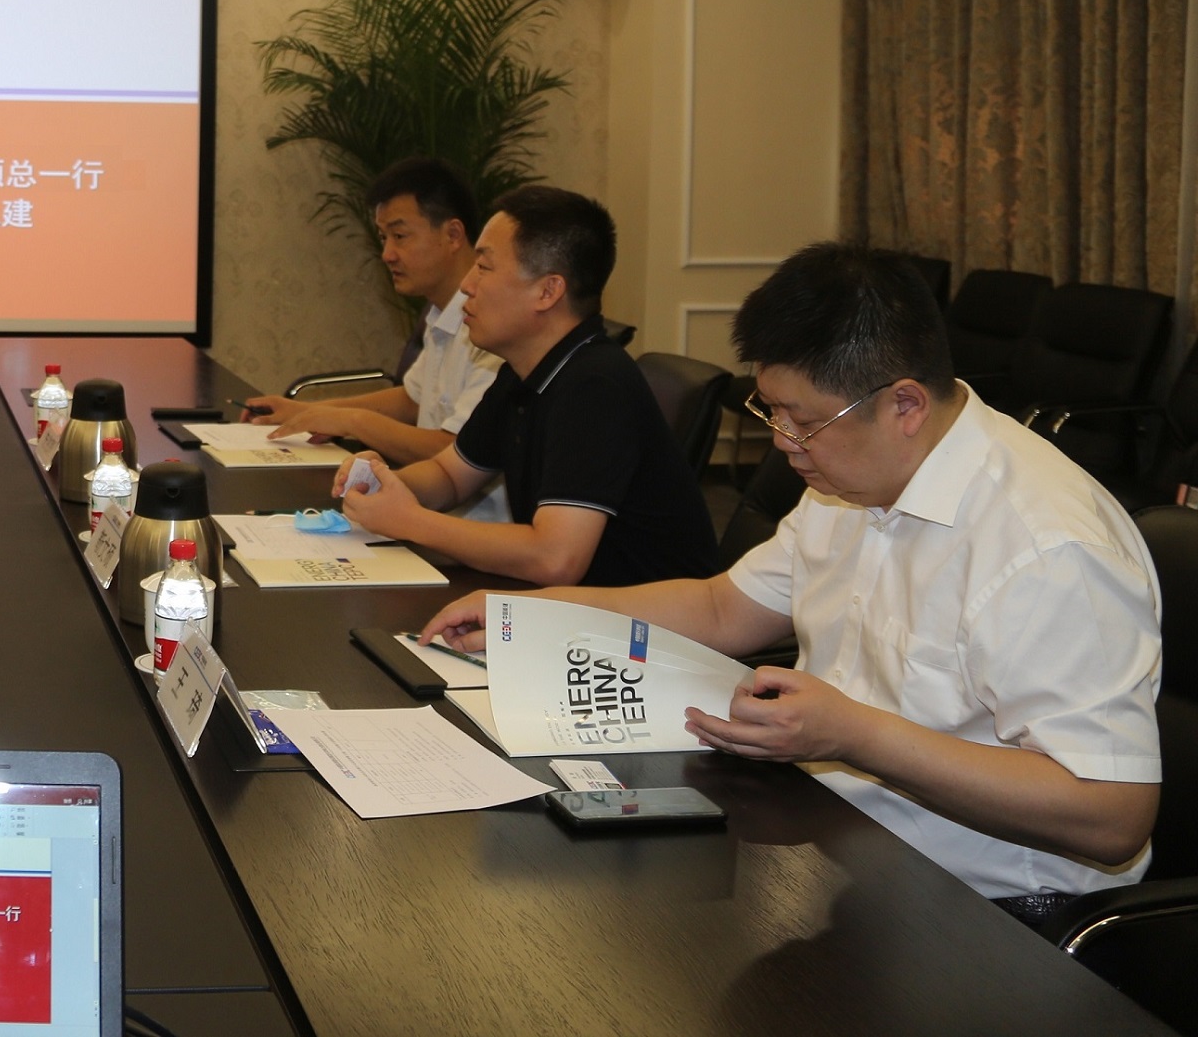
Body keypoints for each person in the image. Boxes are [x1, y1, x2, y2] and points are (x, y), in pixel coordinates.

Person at [422, 244, 1161, 915]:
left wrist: (855, 734)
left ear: (904, 404)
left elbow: (1113, 814)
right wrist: (535, 614)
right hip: (834, 837)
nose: (783, 444)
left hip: (990, 909)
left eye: (801, 421)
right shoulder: (852, 479)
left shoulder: (1048, 546)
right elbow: (721, 607)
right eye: (771, 411)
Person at [334, 186, 717, 586]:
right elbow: (449, 476)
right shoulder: (523, 371)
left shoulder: (595, 386)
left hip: (639, 621)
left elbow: (555, 558)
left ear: (547, 291)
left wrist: (410, 521)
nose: (466, 285)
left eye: (483, 267)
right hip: (568, 607)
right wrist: (384, 483)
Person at [244, 157, 499, 467]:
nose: (387, 254)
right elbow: (412, 399)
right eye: (383, 238)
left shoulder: (495, 326)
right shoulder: (441, 312)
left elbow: (458, 452)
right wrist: (304, 411)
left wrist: (352, 421)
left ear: (453, 235)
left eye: (400, 236)